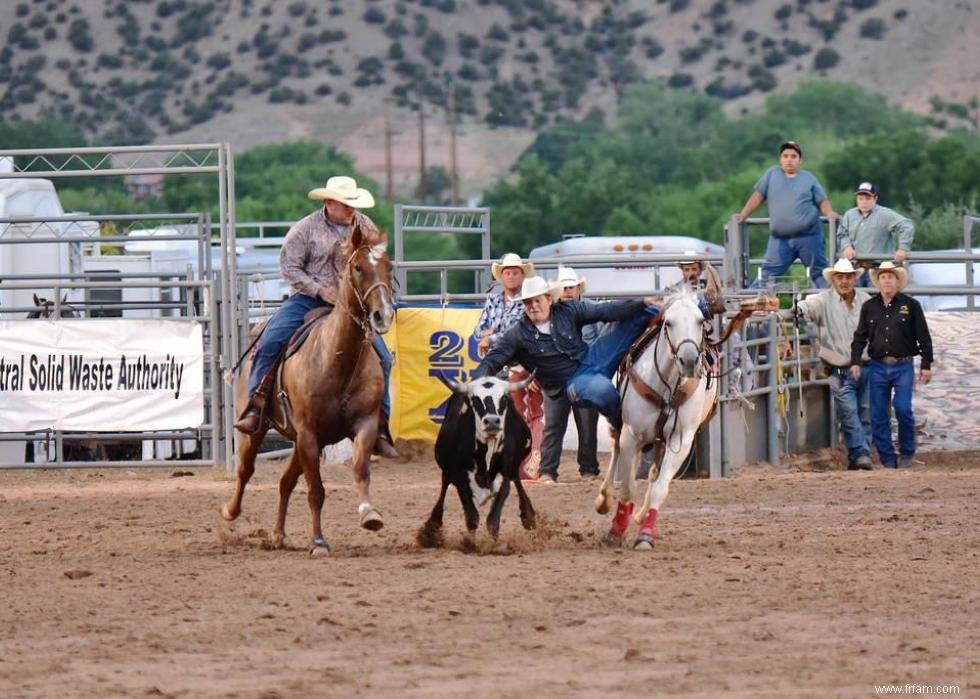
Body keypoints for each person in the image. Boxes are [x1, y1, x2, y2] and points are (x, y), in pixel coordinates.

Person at [234, 176, 399, 458]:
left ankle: (381, 427)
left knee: (383, 358)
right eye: (346, 203)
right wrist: (320, 290)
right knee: (271, 341)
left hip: (352, 305)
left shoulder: (365, 226)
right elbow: (290, 269)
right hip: (308, 299)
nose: (351, 209)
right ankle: (256, 404)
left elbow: (376, 263)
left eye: (352, 203)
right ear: (329, 202)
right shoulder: (304, 230)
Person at [472, 275, 661, 439]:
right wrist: (477, 383)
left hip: (593, 357)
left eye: (537, 300)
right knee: (601, 390)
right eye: (528, 302)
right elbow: (492, 360)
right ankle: (621, 424)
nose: (533, 306)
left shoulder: (568, 310)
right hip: (571, 381)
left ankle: (674, 313)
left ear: (549, 299)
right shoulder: (517, 334)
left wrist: (641, 302)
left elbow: (605, 311)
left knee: (642, 313)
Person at [850, 262, 933, 469]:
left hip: (903, 364)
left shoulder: (911, 305)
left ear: (898, 282)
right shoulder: (869, 307)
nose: (887, 281)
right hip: (878, 365)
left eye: (890, 277)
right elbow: (860, 336)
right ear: (877, 282)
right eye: (883, 277)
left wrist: (926, 364)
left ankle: (907, 452)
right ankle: (888, 458)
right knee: (878, 413)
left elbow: (923, 336)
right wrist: (855, 361)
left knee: (903, 408)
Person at [794, 259, 873, 470]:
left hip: (866, 365)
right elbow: (806, 306)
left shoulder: (866, 301)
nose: (845, 281)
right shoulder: (822, 300)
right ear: (833, 280)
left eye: (848, 277)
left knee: (865, 413)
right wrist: (798, 308)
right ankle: (862, 453)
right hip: (838, 368)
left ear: (855, 278)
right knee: (849, 412)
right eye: (840, 277)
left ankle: (857, 456)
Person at [472, 252, 544, 478]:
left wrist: (489, 338)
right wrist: (485, 335)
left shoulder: (527, 301)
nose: (511, 276)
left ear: (522, 276)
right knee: (495, 411)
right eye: (508, 273)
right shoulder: (493, 300)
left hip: (519, 361)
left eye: (515, 273)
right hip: (500, 363)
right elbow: (478, 328)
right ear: (501, 277)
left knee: (524, 412)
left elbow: (515, 332)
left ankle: (526, 461)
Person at [736, 140, 839, 289]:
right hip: (780, 239)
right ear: (780, 159)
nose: (789, 160)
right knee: (767, 276)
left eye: (793, 156)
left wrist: (829, 213)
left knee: (819, 274)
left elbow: (822, 201)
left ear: (800, 160)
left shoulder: (808, 178)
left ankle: (833, 306)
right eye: (785, 156)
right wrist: (742, 215)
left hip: (809, 237)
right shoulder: (772, 174)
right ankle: (746, 305)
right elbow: (758, 196)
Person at [537, 267, 600, 483]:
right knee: (554, 425)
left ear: (578, 289)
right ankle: (547, 470)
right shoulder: (550, 314)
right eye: (563, 288)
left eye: (570, 287)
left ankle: (588, 469)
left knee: (587, 425)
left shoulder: (592, 311)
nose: (567, 292)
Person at [837, 182, 915, 286]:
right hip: (855, 267)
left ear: (875, 199)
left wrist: (902, 248)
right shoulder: (849, 215)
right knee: (855, 297)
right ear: (857, 199)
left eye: (868, 199)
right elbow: (842, 233)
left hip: (878, 267)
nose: (864, 202)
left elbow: (906, 225)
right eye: (860, 199)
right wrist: (846, 247)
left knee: (876, 297)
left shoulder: (885, 214)